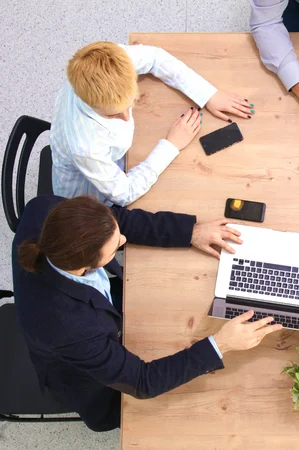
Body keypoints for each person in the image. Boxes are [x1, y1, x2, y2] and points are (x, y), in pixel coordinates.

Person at [12, 195, 282, 431]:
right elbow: (143, 381)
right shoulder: (69, 328)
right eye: (116, 245)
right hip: (90, 383)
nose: (125, 239)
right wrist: (221, 344)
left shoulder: (46, 209)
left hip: (97, 312)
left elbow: (117, 221)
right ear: (87, 265)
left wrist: (190, 232)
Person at [51, 41, 256, 206]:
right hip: (91, 199)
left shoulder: (109, 61)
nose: (126, 118)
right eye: (113, 115)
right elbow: (125, 193)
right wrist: (171, 145)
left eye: (130, 104)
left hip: (117, 162)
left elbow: (155, 58)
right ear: (92, 105)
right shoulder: (84, 147)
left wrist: (208, 94)